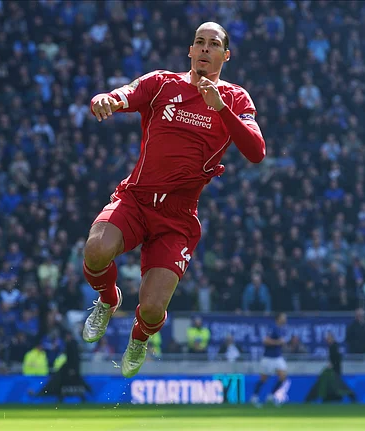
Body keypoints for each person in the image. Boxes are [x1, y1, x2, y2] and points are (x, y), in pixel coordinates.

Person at [80, 21, 265, 378]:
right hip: (135, 198)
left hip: (177, 219)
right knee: (95, 250)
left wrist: (221, 109)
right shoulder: (162, 82)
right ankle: (107, 299)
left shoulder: (236, 99)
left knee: (151, 309)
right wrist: (104, 100)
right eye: (199, 42)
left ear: (225, 56)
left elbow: (256, 152)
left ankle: (138, 338)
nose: (205, 49)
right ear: (191, 52)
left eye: (214, 44)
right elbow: (122, 95)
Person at [250, 313, 289, 407]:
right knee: (263, 379)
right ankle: (254, 397)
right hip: (268, 357)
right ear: (278, 318)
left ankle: (271, 396)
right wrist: (278, 342)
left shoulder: (281, 329)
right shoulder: (273, 328)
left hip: (278, 357)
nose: (285, 319)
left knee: (283, 377)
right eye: (283, 317)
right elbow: (265, 341)